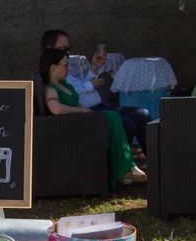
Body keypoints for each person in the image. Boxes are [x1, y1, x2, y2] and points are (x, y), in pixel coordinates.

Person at [39, 48, 146, 188]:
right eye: (64, 65)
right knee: (113, 117)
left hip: (83, 121)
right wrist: (79, 110)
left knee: (116, 119)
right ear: (53, 68)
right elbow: (56, 108)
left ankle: (123, 168)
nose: (67, 69)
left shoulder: (64, 84)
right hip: (73, 127)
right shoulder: (50, 88)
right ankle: (126, 168)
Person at [40, 30, 151, 158]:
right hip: (88, 112)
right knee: (128, 123)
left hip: (98, 106)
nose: (67, 53)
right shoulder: (56, 69)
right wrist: (88, 87)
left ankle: (155, 162)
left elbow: (76, 87)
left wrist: (94, 67)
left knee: (142, 114)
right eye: (63, 49)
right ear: (49, 49)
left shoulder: (63, 66)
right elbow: (67, 95)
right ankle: (120, 167)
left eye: (68, 49)